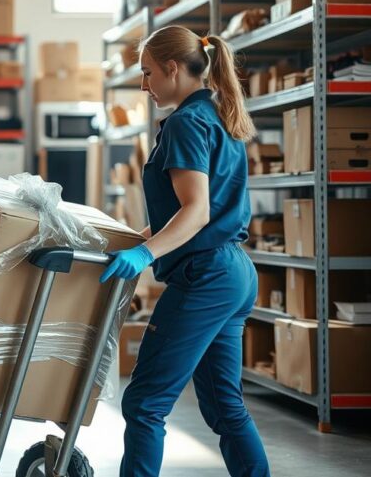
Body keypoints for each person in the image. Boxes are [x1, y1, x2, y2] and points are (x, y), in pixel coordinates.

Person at [99, 26, 269, 477]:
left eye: (147, 72)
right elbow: (186, 210)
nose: (143, 85)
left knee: (144, 402)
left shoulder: (184, 123)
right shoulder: (214, 114)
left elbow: (195, 213)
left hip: (206, 275)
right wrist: (135, 241)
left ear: (173, 69)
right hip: (232, 272)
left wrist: (145, 256)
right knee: (223, 405)